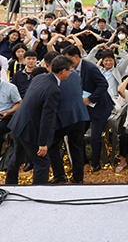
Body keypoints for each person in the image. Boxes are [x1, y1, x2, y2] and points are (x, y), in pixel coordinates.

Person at [5, 56, 72, 185]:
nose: (71, 73)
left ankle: (10, 184)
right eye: (70, 70)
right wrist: (43, 143)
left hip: (18, 122)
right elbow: (48, 118)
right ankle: (38, 192)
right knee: (42, 162)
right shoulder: (54, 90)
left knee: (17, 156)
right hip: (30, 129)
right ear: (63, 71)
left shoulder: (41, 78)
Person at [63, 45, 114, 172]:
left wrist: (91, 98)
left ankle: (96, 164)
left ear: (76, 57)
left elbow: (103, 85)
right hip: (82, 107)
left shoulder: (90, 68)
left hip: (99, 107)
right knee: (76, 133)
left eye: (68, 59)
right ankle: (82, 160)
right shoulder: (70, 70)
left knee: (95, 136)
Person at [44, 51, 89, 184]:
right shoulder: (75, 75)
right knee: (77, 147)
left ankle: (59, 175)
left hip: (65, 117)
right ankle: (78, 178)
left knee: (51, 144)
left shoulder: (51, 79)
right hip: (80, 114)